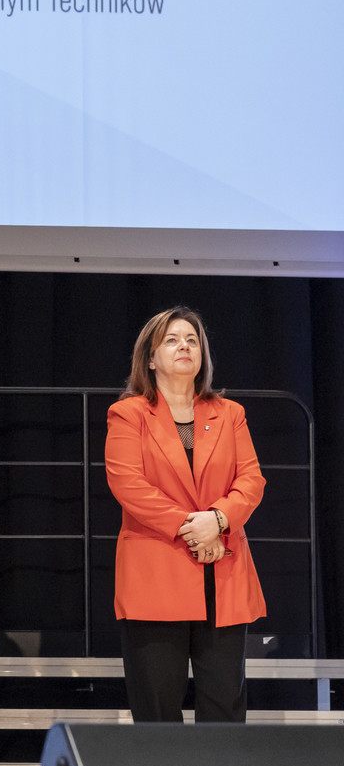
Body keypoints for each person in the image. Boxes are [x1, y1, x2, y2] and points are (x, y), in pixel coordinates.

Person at [105, 308, 265, 723]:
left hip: (222, 574)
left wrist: (218, 520)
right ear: (150, 358)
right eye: (172, 340)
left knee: (225, 709)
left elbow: (251, 479)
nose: (185, 347)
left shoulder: (229, 413)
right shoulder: (128, 414)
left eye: (192, 340)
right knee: (157, 712)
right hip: (156, 575)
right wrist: (195, 528)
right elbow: (128, 485)